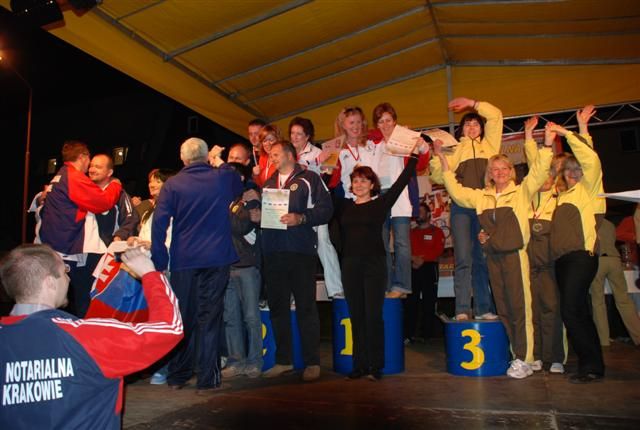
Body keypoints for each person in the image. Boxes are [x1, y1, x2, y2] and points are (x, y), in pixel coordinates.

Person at [0, 244, 183, 429]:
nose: (69, 279)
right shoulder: (87, 336)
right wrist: (149, 274)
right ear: (50, 282)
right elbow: (170, 328)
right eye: (65, 271)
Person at [434, 123, 554, 379]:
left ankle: (526, 358)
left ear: (511, 172)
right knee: (505, 310)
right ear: (489, 174)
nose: (499, 172)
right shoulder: (482, 197)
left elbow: (540, 171)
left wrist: (545, 144)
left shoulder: (521, 192)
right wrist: (443, 162)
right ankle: (518, 354)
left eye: (503, 168)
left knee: (521, 309)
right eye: (494, 169)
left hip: (515, 257)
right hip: (493, 259)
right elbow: (456, 191)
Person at [151, 137, 243, 392]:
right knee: (210, 317)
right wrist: (218, 161)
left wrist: (159, 259)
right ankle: (207, 378)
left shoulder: (173, 184)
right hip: (216, 257)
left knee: (184, 316)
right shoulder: (221, 177)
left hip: (184, 259)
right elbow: (239, 183)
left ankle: (178, 375)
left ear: (183, 158)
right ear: (205, 157)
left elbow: (159, 222)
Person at [338, 141, 421, 380]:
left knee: (373, 317)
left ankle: (375, 366)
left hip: (374, 266)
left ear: (372, 184)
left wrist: (414, 157)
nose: (359, 184)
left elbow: (400, 183)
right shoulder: (344, 207)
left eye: (364, 180)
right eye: (356, 181)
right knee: (356, 317)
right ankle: (359, 365)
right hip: (350, 266)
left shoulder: (380, 205)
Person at [260, 141, 333, 382]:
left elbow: (327, 209)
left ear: (290, 155)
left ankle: (312, 362)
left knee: (306, 307)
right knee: (278, 308)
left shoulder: (310, 179)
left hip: (301, 252)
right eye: (270, 155)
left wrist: (301, 218)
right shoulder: (268, 184)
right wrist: (256, 216)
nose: (272, 158)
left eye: (275, 154)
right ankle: (283, 360)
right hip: (273, 252)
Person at [429, 98, 503, 320]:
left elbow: (496, 115)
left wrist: (473, 103)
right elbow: (437, 176)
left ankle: (483, 309)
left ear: (481, 128)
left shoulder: (490, 146)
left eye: (476, 124)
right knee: (463, 258)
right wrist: (437, 155)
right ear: (461, 129)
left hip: (484, 208)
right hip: (461, 209)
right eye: (467, 124)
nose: (472, 127)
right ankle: (461, 309)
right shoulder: (454, 149)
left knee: (481, 258)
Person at [548, 117, 605, 384]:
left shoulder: (588, 191)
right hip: (563, 261)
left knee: (571, 310)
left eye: (577, 169)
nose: (573, 173)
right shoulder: (562, 196)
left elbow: (591, 159)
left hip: (581, 257)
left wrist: (569, 132)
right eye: (568, 170)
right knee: (577, 311)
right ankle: (591, 364)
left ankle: (591, 365)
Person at [38, 141, 122, 317]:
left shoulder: (60, 175)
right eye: (90, 160)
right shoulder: (74, 177)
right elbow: (103, 202)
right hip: (69, 248)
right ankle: (81, 330)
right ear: (83, 157)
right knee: (83, 297)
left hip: (54, 246)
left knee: (54, 298)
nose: (90, 166)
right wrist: (115, 185)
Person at [368, 103, 429, 299]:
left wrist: (421, 146)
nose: (385, 125)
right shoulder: (373, 144)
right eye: (381, 121)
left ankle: (402, 286)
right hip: (379, 197)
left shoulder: (406, 141)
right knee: (381, 243)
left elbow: (421, 164)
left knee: (402, 242)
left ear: (395, 121)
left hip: (399, 195)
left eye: (388, 120)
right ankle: (385, 285)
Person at [522, 116, 566, 374]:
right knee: (533, 312)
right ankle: (537, 355)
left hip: (551, 267)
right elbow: (534, 163)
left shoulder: (559, 198)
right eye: (542, 174)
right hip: (529, 267)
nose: (545, 178)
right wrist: (529, 136)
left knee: (553, 310)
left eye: (550, 174)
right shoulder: (526, 198)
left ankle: (556, 357)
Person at [289, 117, 343, 298]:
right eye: (292, 133)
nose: (295, 137)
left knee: (323, 242)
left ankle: (336, 288)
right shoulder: (287, 153)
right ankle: (295, 292)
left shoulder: (319, 153)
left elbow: (327, 178)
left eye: (299, 134)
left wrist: (315, 164)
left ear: (308, 136)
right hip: (294, 205)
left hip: (316, 204)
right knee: (295, 248)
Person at [221, 160, 264, 379]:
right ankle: (236, 361)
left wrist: (219, 209)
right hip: (225, 265)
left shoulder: (249, 198)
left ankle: (254, 361)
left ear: (238, 178)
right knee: (231, 317)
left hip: (246, 265)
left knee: (251, 317)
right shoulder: (229, 201)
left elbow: (241, 226)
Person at [590, 219, 640, 346]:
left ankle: (603, 340)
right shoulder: (610, 224)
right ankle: (638, 336)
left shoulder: (590, 222)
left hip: (598, 259)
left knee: (598, 302)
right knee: (624, 300)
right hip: (615, 259)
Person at [404, 203, 445, 343]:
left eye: (421, 211)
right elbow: (405, 249)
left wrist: (422, 259)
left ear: (428, 214)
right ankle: (409, 334)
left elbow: (438, 249)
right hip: (413, 267)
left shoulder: (437, 231)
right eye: (417, 211)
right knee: (411, 302)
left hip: (429, 268)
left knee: (429, 302)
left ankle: (426, 335)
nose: (418, 214)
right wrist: (413, 258)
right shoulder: (411, 233)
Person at [88, 154, 139, 247]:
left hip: (107, 248)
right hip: (86, 249)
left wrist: (119, 236)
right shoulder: (84, 192)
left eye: (98, 167)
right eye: (91, 166)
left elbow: (131, 218)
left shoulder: (120, 194)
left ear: (109, 172)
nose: (92, 170)